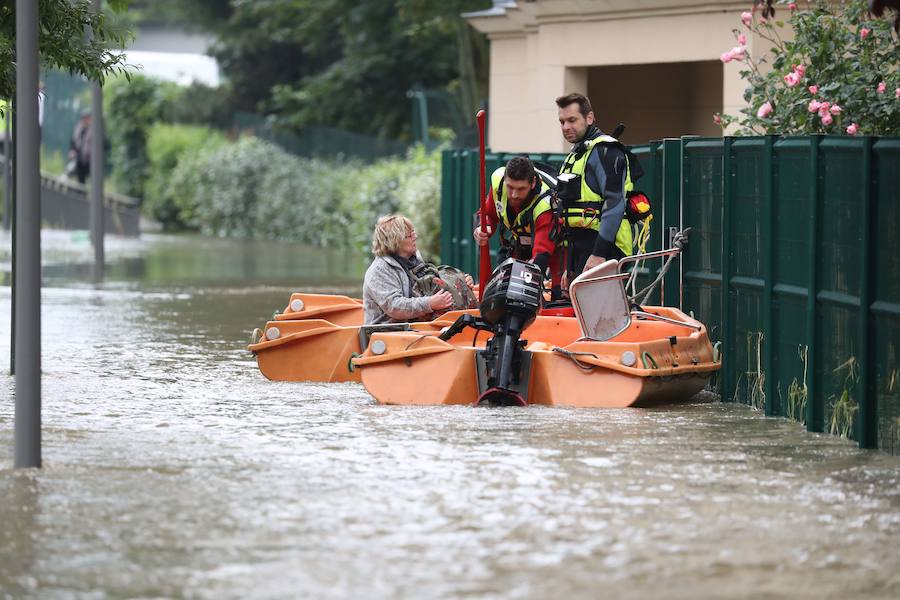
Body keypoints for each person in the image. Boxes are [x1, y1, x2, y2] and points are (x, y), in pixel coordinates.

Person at [556, 93, 635, 281]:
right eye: (562, 121)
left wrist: (599, 254)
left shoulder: (606, 151)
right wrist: (571, 266)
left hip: (606, 250)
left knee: (604, 311)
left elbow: (615, 203)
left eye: (572, 120)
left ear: (589, 118)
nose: (566, 127)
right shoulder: (578, 153)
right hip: (582, 250)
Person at [472, 155, 563, 299]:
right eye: (510, 187)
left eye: (521, 189)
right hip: (519, 245)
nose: (514, 195)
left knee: (560, 295)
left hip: (556, 249)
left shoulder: (546, 204)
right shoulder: (498, 183)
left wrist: (523, 281)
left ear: (533, 183)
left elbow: (542, 253)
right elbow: (487, 213)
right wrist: (482, 228)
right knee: (503, 291)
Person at [363, 214, 455, 325]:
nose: (415, 237)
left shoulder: (414, 259)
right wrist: (429, 303)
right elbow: (394, 306)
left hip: (415, 327)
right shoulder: (378, 271)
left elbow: (431, 284)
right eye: (409, 235)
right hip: (386, 333)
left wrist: (458, 281)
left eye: (413, 233)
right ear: (394, 240)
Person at [68, 113, 91, 183]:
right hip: (78, 157)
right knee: (78, 176)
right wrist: (72, 151)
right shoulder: (78, 129)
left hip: (88, 159)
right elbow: (73, 141)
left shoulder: (92, 130)